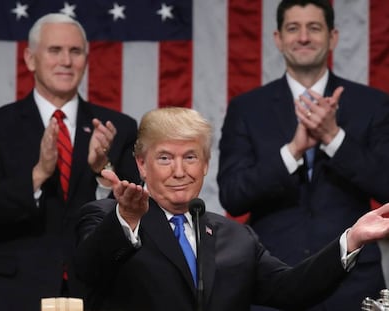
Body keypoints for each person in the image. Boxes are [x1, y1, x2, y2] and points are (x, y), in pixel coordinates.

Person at [74, 106, 389, 311]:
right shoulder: (107, 219)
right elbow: (88, 272)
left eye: (191, 157)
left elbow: (291, 290)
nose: (179, 171)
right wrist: (126, 220)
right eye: (166, 158)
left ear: (207, 164)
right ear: (142, 164)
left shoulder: (237, 238)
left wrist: (353, 239)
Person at [217, 0, 389, 310]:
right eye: (293, 28)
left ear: (333, 37)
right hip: (272, 280)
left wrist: (333, 138)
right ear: (278, 39)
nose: (303, 37)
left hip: (353, 284)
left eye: (314, 28)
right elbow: (232, 195)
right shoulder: (247, 108)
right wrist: (293, 151)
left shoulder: (372, 104)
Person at [0, 13, 140, 311]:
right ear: (30, 59)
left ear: (86, 60)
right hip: (11, 292)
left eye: (75, 51)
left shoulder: (120, 128)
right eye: (55, 50)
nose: (66, 60)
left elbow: (138, 216)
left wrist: (102, 172)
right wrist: (37, 175)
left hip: (98, 291)